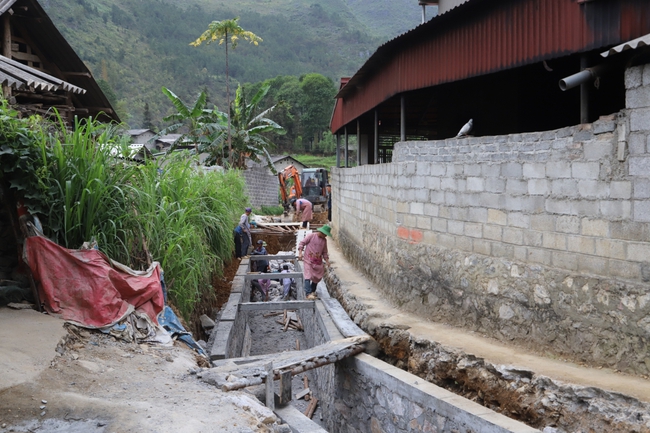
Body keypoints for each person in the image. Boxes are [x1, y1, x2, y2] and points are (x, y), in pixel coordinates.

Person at [297, 224, 331, 299]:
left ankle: (312, 291)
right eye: (325, 234)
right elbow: (302, 243)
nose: (325, 236)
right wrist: (300, 253)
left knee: (317, 276)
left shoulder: (324, 241)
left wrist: (327, 261)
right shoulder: (311, 236)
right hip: (308, 259)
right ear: (322, 232)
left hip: (317, 261)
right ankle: (308, 293)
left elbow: (325, 252)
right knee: (308, 275)